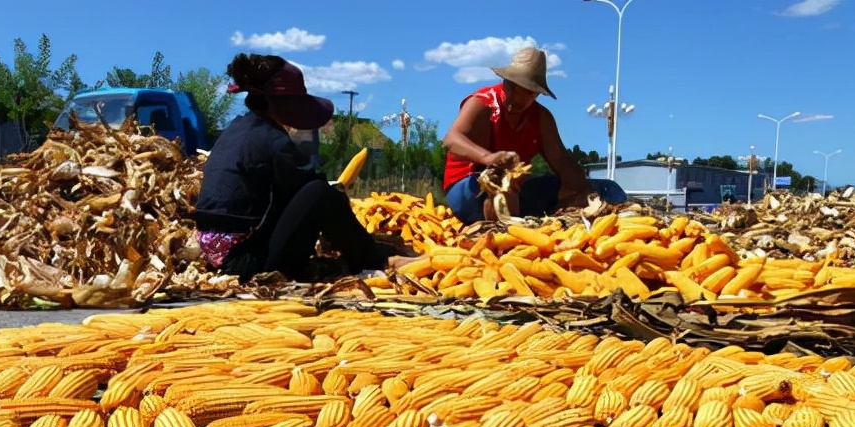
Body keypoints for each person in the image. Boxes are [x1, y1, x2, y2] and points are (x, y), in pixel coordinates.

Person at [193, 53, 406, 281]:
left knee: (313, 191)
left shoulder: (237, 129)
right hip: (247, 263)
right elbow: (312, 189)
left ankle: (366, 254)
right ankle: (374, 260)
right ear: (282, 103)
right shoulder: (272, 140)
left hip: (217, 255)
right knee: (322, 193)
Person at [441, 47, 627, 225]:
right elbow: (451, 139)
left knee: (605, 189)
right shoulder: (483, 103)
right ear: (506, 81)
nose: (518, 95)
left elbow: (562, 162)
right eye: (513, 85)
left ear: (537, 93)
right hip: (468, 187)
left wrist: (588, 192)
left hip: (518, 189)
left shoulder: (541, 119)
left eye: (528, 91)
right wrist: (489, 158)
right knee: (503, 182)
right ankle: (502, 238)